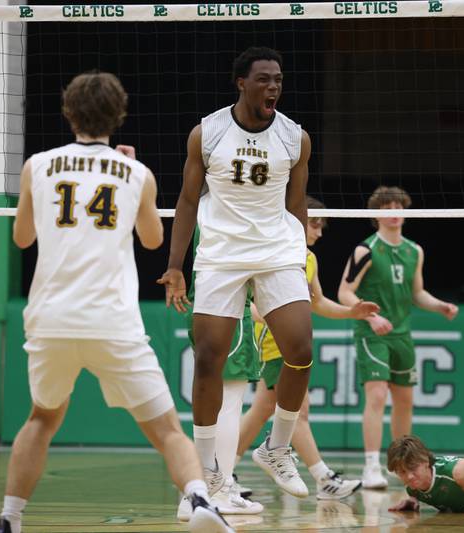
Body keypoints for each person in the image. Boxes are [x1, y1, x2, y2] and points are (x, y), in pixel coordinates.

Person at [0, 71, 232, 533]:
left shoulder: (37, 166)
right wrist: (132, 183)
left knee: (41, 418)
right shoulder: (136, 173)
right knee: (166, 431)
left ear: (68, 112)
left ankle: (9, 519)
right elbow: (152, 238)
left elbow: (22, 238)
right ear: (118, 115)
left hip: (51, 318)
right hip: (112, 322)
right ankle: (200, 500)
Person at [159, 47, 313, 498]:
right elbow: (188, 201)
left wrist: (300, 253)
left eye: (279, 80)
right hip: (222, 251)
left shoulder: (295, 137)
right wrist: (175, 266)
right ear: (241, 83)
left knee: (300, 349)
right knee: (209, 357)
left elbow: (297, 202)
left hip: (276, 250)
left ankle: (277, 448)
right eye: (264, 79)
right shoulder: (207, 133)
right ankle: (207, 472)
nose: (273, 87)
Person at [235, 196, 377, 500]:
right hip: (273, 342)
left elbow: (317, 302)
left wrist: (352, 311)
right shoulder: (271, 250)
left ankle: (221, 474)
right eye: (315, 223)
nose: (320, 231)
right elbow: (251, 298)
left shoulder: (308, 258)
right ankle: (323, 478)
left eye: (322, 225)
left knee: (263, 410)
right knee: (298, 411)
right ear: (295, 219)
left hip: (291, 342)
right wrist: (264, 315)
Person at [337, 186, 458, 489]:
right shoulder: (365, 250)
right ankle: (371, 467)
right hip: (372, 331)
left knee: (404, 400)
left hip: (401, 334)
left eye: (398, 206)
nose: (394, 212)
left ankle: (403, 463)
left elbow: (417, 293)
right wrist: (370, 316)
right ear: (376, 214)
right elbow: (344, 292)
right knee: (377, 395)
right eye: (387, 207)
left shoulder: (413, 251)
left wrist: (439, 305)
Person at [176, 226, 264, 519]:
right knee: (229, 401)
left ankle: (198, 494)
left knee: (217, 400)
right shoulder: (234, 208)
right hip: (229, 306)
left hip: (208, 302)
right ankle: (220, 492)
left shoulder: (205, 210)